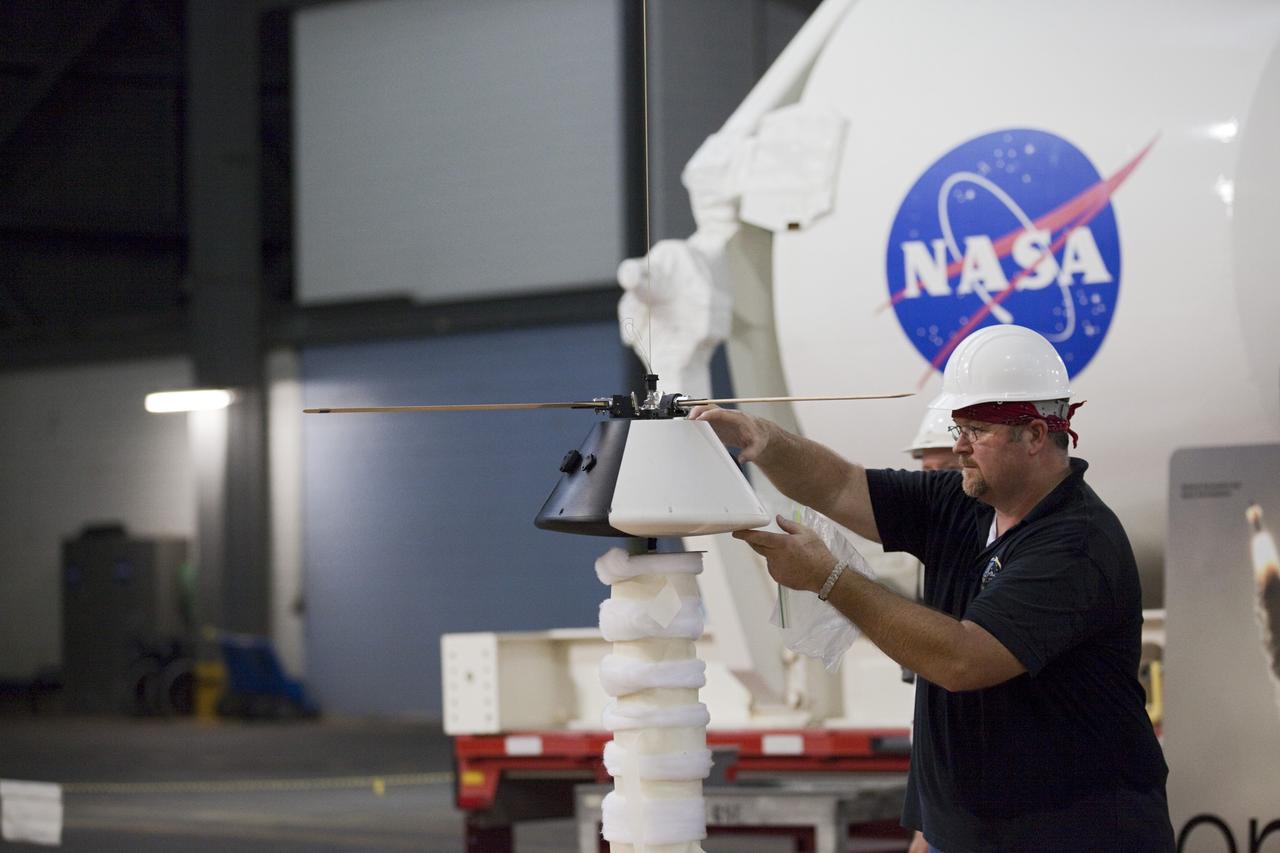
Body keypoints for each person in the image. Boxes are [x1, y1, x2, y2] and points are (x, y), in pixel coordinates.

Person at [690, 325, 1174, 853]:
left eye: (977, 430)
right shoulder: (964, 502)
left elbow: (963, 660)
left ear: (1035, 435)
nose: (958, 446)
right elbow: (842, 485)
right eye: (957, 426)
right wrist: (762, 439)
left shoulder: (1075, 542)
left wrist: (829, 578)